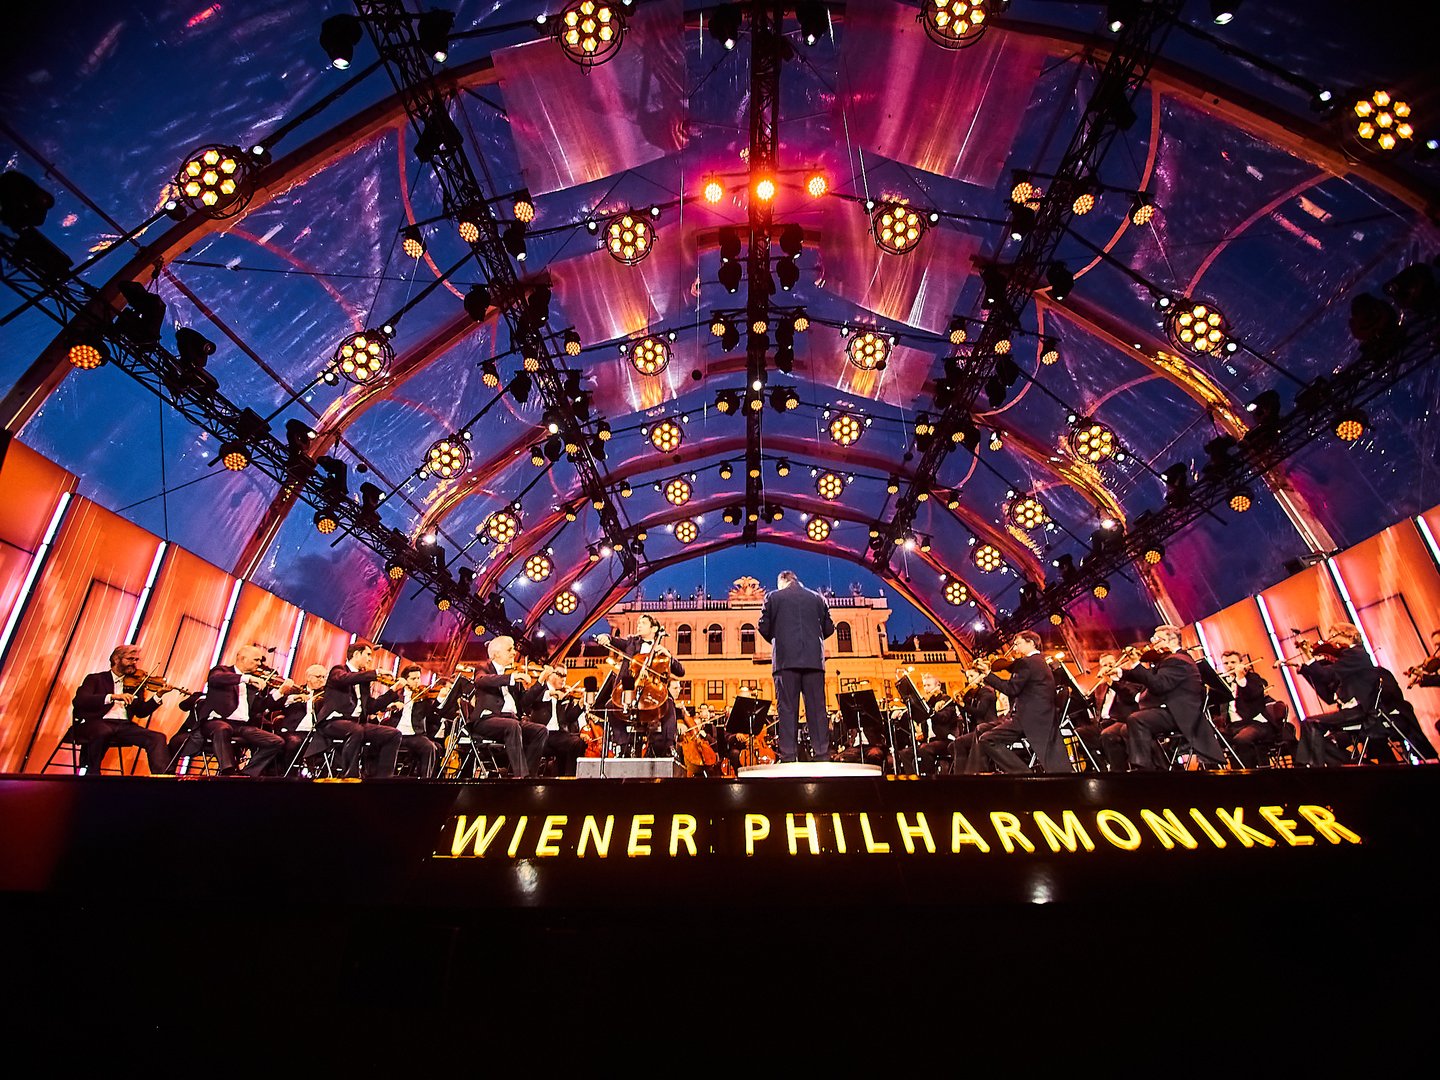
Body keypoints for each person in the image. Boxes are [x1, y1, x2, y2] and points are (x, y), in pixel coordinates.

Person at [757, 569, 836, 763]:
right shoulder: (818, 598)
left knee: (787, 709)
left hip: (785, 661)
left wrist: (780, 639)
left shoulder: (773, 597)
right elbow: (829, 628)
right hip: (814, 661)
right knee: (817, 710)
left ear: (781, 582)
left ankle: (789, 757)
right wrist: (813, 640)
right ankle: (822, 755)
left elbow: (763, 626)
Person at [1120, 626, 1224, 770]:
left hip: (1180, 713)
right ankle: (1161, 767)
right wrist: (1120, 673)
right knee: (1126, 729)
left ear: (1173, 641)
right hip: (1168, 710)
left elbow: (1158, 685)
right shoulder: (1167, 660)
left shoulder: (1179, 660)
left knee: (1136, 719)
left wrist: (1137, 663)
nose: (1153, 643)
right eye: (1153, 639)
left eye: (1158, 639)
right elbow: (1149, 677)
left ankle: (1142, 769)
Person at [975, 631, 1071, 774]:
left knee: (987, 739)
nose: (1015, 648)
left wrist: (988, 674)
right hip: (1042, 716)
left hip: (1028, 718)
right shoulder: (1040, 661)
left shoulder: (1026, 663)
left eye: (1018, 644)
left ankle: (1022, 774)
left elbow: (1011, 689)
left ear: (1031, 643)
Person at [69, 644, 173, 775]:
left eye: (136, 660)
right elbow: (80, 700)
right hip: (97, 723)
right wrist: (112, 697)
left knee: (157, 738)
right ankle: (92, 774)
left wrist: (158, 695)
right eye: (130, 659)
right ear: (116, 659)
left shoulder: (135, 684)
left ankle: (163, 777)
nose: (134, 663)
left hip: (124, 726)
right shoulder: (95, 679)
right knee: (103, 731)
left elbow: (141, 712)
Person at [597, 614, 684, 759]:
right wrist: (607, 637)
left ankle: (669, 745)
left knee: (668, 703)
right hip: (630, 689)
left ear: (654, 629)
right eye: (638, 623)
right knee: (611, 706)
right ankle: (623, 745)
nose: (639, 625)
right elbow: (616, 641)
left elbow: (680, 671)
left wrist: (669, 656)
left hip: (652, 692)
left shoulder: (661, 652)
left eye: (643, 623)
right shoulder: (631, 642)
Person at [204, 644, 294, 776]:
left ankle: (246, 774)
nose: (259, 664)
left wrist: (280, 692)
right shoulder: (221, 671)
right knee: (223, 728)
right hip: (217, 721)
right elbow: (215, 679)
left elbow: (259, 707)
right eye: (256, 660)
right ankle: (228, 772)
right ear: (242, 658)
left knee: (276, 741)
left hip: (241, 725)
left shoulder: (253, 682)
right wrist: (246, 678)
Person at [318, 641, 402, 779]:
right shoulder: (338, 670)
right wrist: (375, 673)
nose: (370, 659)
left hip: (357, 723)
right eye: (368, 655)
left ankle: (384, 778)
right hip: (332, 722)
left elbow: (370, 707)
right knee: (355, 730)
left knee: (393, 734)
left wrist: (392, 691)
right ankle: (350, 776)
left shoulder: (364, 680)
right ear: (357, 654)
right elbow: (346, 679)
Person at [471, 636, 548, 778]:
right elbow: (481, 680)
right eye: (509, 649)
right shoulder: (484, 668)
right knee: (512, 726)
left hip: (511, 720)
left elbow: (524, 701)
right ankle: (520, 776)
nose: (514, 652)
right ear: (496, 653)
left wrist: (540, 682)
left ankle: (530, 776)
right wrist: (511, 678)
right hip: (487, 720)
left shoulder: (512, 674)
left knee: (540, 730)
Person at [1219, 651, 1288, 768]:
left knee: (1242, 739)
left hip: (1256, 723)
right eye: (1226, 663)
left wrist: (1240, 678)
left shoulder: (1253, 678)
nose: (1229, 666)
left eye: (1233, 662)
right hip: (1234, 726)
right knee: (1209, 741)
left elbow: (1253, 695)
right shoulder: (1223, 683)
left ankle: (1249, 772)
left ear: (1241, 663)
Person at [372, 664, 442, 777]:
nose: (417, 681)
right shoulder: (396, 694)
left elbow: (431, 713)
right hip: (395, 734)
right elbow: (379, 706)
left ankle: (425, 780)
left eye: (418, 678)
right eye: (413, 679)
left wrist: (439, 700)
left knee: (429, 747)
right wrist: (391, 705)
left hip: (415, 735)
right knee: (376, 743)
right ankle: (379, 776)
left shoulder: (423, 697)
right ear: (405, 680)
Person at [273, 664, 331, 777]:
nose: (321, 680)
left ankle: (319, 776)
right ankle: (288, 775)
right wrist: (294, 698)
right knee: (294, 742)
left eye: (324, 677)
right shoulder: (294, 691)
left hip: (316, 732)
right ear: (308, 677)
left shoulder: (327, 695)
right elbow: (275, 705)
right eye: (318, 677)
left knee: (328, 743)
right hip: (294, 731)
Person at [529, 666, 587, 777]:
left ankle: (568, 776)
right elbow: (530, 699)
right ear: (550, 675)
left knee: (579, 741)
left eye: (565, 675)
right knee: (574, 742)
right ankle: (568, 777)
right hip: (542, 732)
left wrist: (580, 704)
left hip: (559, 733)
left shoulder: (564, 695)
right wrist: (551, 693)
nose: (563, 678)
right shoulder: (541, 690)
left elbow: (569, 718)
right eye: (560, 675)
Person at [1089, 651, 1141, 771]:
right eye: (1105, 665)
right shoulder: (1100, 687)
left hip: (1121, 720)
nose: (1108, 668)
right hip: (1102, 722)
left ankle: (1118, 771)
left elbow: (1130, 695)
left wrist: (1112, 682)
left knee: (1107, 735)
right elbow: (1087, 701)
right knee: (1081, 733)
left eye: (1111, 664)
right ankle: (1101, 768)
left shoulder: (1127, 681)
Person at [915, 673, 961, 776]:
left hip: (945, 739)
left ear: (938, 686)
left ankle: (930, 778)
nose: (926, 689)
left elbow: (944, 717)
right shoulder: (927, 703)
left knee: (925, 749)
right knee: (906, 753)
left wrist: (932, 712)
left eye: (929, 685)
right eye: (924, 685)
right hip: (929, 741)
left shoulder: (945, 699)